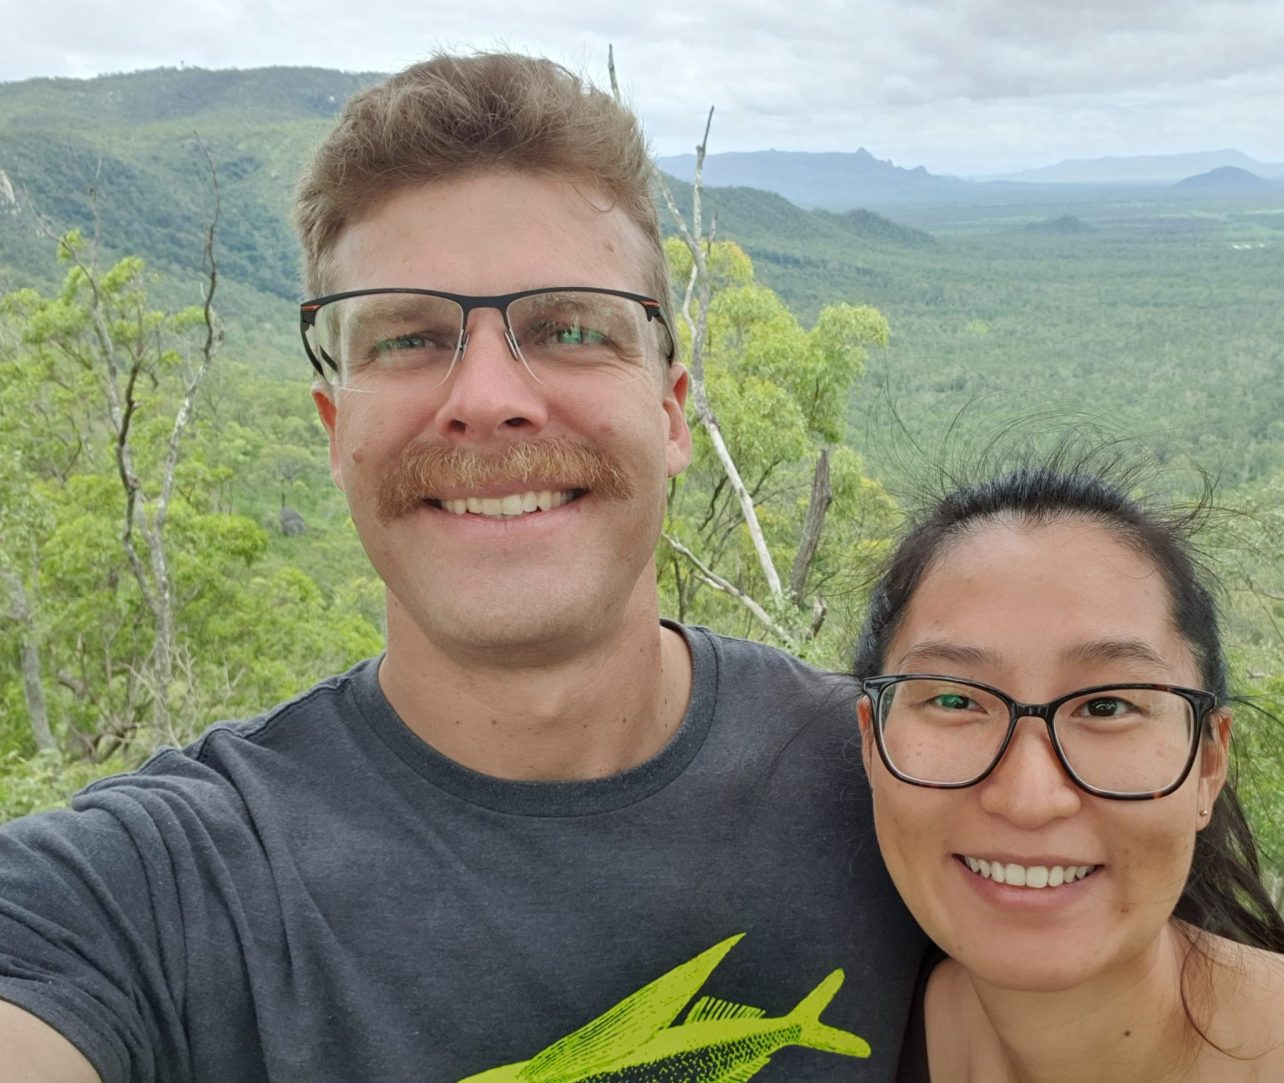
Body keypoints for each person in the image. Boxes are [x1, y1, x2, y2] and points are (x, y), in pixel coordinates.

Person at [0, 53, 924, 1083]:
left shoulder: (916, 792)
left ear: (670, 412)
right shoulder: (147, 894)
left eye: (568, 327)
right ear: (332, 424)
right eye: (408, 339)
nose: (486, 396)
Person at [851, 459, 1284, 1082]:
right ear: (870, 742)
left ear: (1208, 763)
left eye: (1107, 705)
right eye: (956, 699)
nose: (1030, 797)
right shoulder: (815, 1018)